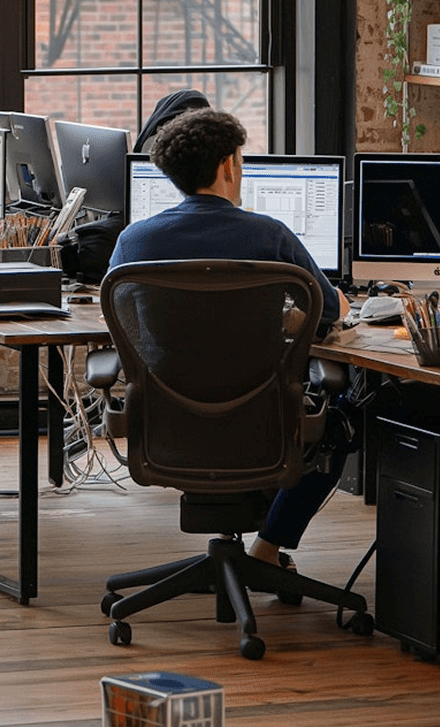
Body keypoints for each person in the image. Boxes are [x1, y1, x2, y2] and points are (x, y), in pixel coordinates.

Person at [108, 107, 352, 571]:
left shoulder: (133, 242)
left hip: (168, 427)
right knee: (342, 420)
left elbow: (129, 324)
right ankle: (268, 547)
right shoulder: (271, 236)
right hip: (261, 425)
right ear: (228, 166)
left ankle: (252, 547)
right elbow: (329, 313)